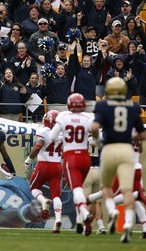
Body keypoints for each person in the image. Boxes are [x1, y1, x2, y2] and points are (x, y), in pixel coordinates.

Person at [90, 77, 146, 243]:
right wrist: (131, 137)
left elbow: (94, 127)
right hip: (126, 149)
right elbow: (143, 134)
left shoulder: (102, 105)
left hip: (109, 148)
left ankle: (112, 210)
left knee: (106, 187)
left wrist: (99, 141)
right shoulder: (133, 107)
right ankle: (128, 221)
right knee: (127, 190)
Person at [50, 94, 94, 236]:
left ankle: (85, 214)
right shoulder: (88, 117)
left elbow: (52, 137)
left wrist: (64, 138)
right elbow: (97, 134)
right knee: (79, 188)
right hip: (85, 156)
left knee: (76, 189)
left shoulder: (63, 117)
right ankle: (80, 219)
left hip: (71, 157)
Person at [23, 110, 63, 233]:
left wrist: (28, 159)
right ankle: (57, 219)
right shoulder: (62, 133)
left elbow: (38, 146)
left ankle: (43, 200)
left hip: (44, 165)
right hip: (57, 165)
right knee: (56, 195)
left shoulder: (43, 131)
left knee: (33, 188)